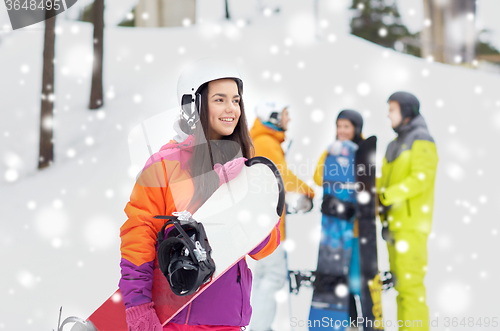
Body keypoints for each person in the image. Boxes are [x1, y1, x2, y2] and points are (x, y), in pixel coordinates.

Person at [119, 58, 281, 331]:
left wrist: (249, 207)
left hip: (230, 318)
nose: (231, 109)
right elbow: (138, 237)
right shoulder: (163, 166)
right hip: (179, 319)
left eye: (236, 100)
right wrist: (138, 307)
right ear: (192, 105)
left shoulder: (245, 167)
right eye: (219, 100)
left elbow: (265, 247)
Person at [248, 100, 315, 331]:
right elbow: (281, 175)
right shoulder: (266, 142)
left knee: (264, 275)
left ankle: (257, 324)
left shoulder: (264, 141)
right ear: (275, 117)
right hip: (268, 223)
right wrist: (307, 191)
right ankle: (260, 326)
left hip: (263, 220)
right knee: (273, 276)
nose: (289, 119)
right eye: (286, 114)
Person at [378, 91, 438, 331]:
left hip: (411, 227)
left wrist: (386, 196)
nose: (388, 114)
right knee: (402, 288)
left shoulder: (421, 139)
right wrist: (373, 198)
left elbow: (421, 178)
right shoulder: (395, 143)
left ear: (406, 111)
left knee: (411, 289)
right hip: (394, 225)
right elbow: (385, 179)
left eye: (392, 109)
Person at [311, 110, 364, 326]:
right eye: (339, 126)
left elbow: (369, 184)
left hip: (356, 229)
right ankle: (345, 322)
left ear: (356, 129)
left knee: (354, 278)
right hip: (334, 228)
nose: (341, 131)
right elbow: (317, 176)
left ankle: (357, 320)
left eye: (347, 127)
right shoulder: (331, 152)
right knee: (336, 274)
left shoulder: (363, 153)